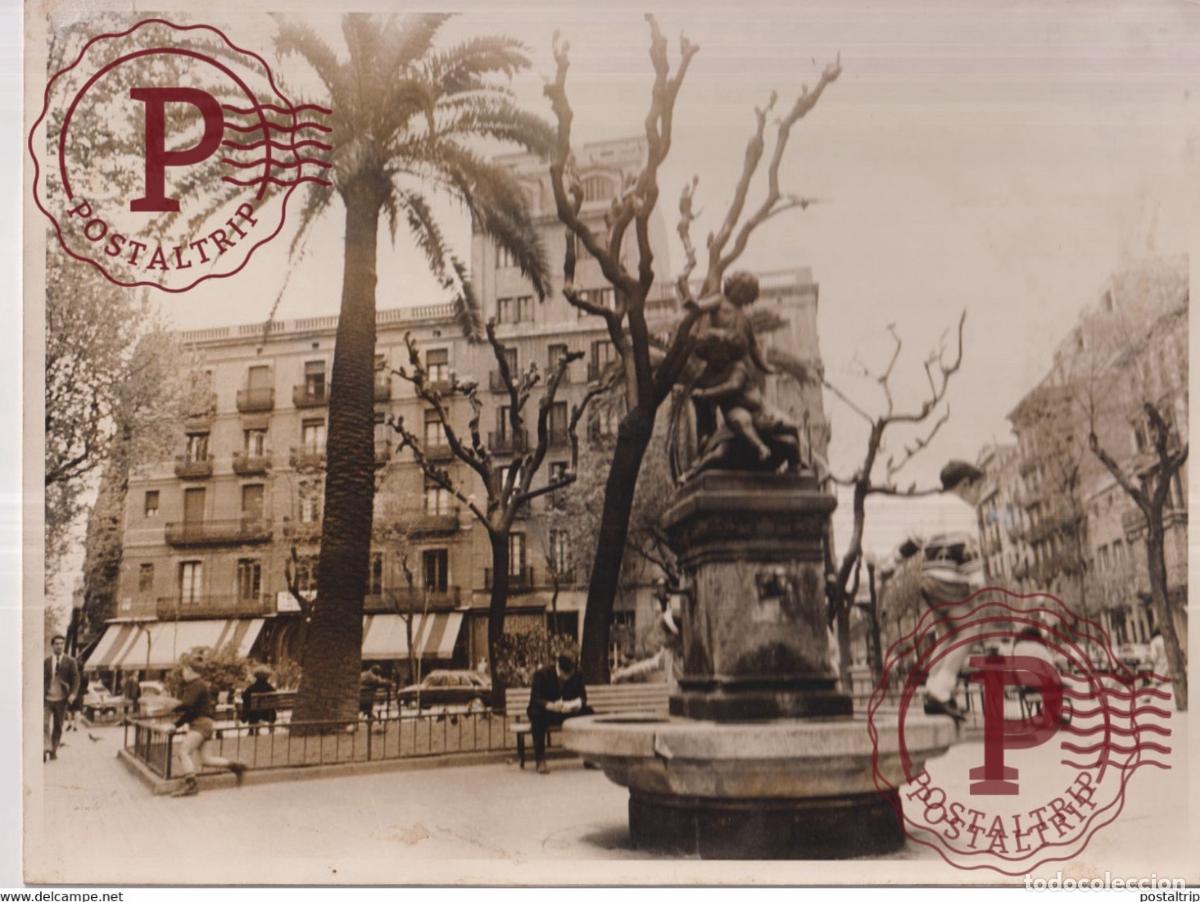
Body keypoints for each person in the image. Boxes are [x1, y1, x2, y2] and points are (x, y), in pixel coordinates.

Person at [897, 459, 986, 723]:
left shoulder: (931, 507)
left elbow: (911, 542)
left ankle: (933, 691)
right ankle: (940, 692)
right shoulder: (963, 510)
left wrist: (889, 565)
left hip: (929, 578)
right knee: (970, 630)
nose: (977, 496)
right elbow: (965, 546)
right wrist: (977, 578)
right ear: (965, 485)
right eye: (976, 490)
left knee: (947, 635)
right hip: (951, 579)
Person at [170, 652, 246, 797]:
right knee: (206, 760)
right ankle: (236, 766)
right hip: (206, 723)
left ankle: (191, 785)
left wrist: (173, 707)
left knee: (183, 752)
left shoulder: (195, 685)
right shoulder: (199, 685)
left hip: (201, 724)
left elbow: (187, 705)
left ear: (190, 670)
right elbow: (191, 710)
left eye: (184, 670)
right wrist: (177, 724)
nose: (182, 673)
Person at [527, 653, 592, 774]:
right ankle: (540, 760)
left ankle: (589, 758)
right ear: (558, 667)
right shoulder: (542, 674)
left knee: (589, 712)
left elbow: (583, 698)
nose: (567, 677)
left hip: (568, 711)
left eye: (570, 674)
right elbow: (535, 699)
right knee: (537, 716)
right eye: (564, 674)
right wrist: (550, 705)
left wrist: (576, 705)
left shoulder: (577, 674)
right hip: (549, 712)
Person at [44, 635, 80, 761]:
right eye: (57, 643)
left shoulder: (70, 661)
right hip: (47, 699)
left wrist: (73, 694)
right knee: (44, 723)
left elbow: (76, 680)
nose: (59, 646)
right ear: (52, 646)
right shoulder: (47, 661)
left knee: (58, 726)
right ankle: (45, 747)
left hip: (62, 699)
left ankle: (53, 750)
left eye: (61, 644)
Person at [241, 667, 277, 734]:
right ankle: (271, 730)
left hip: (254, 712)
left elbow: (244, 697)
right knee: (270, 708)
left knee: (250, 707)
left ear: (256, 676)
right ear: (267, 677)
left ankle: (251, 730)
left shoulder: (252, 687)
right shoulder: (270, 688)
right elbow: (275, 697)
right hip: (267, 712)